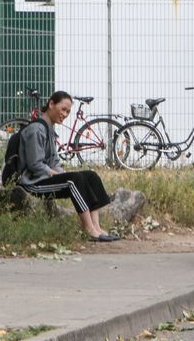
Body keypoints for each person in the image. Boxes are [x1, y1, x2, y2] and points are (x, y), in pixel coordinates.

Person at [18, 91, 119, 242]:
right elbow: (35, 165)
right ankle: (89, 229)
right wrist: (58, 175)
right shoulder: (36, 129)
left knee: (90, 176)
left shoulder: (49, 129)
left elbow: (54, 162)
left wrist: (61, 173)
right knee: (73, 180)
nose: (65, 114)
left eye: (68, 112)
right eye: (63, 109)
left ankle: (96, 227)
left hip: (44, 177)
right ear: (51, 104)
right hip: (33, 183)